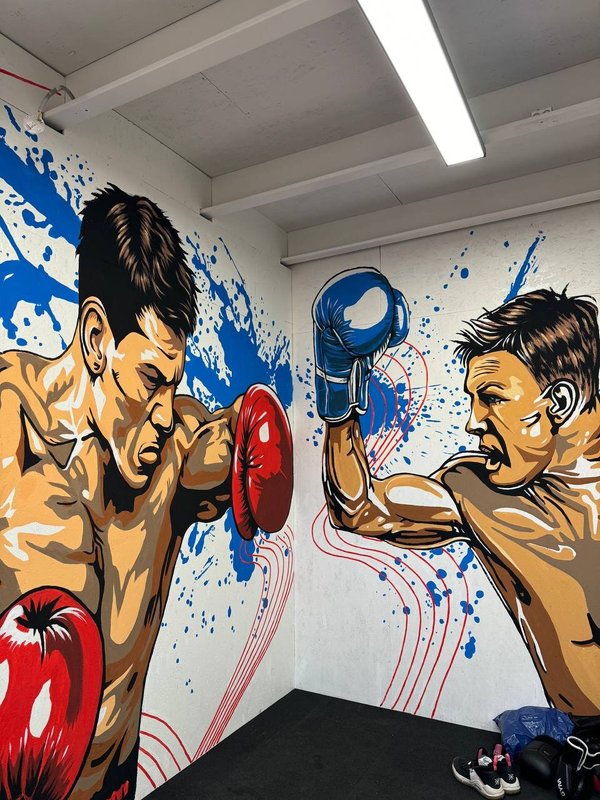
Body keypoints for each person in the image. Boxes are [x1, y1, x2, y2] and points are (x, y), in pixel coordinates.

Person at [0, 185, 293, 800]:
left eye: (174, 384)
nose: (164, 413)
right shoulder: (10, 433)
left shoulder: (178, 448)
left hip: (114, 781)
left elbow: (233, 441)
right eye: (150, 380)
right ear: (96, 337)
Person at [313, 267, 600, 717]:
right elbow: (360, 509)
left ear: (559, 402)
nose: (472, 422)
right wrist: (337, 394)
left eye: (492, 398)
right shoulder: (479, 494)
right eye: (472, 399)